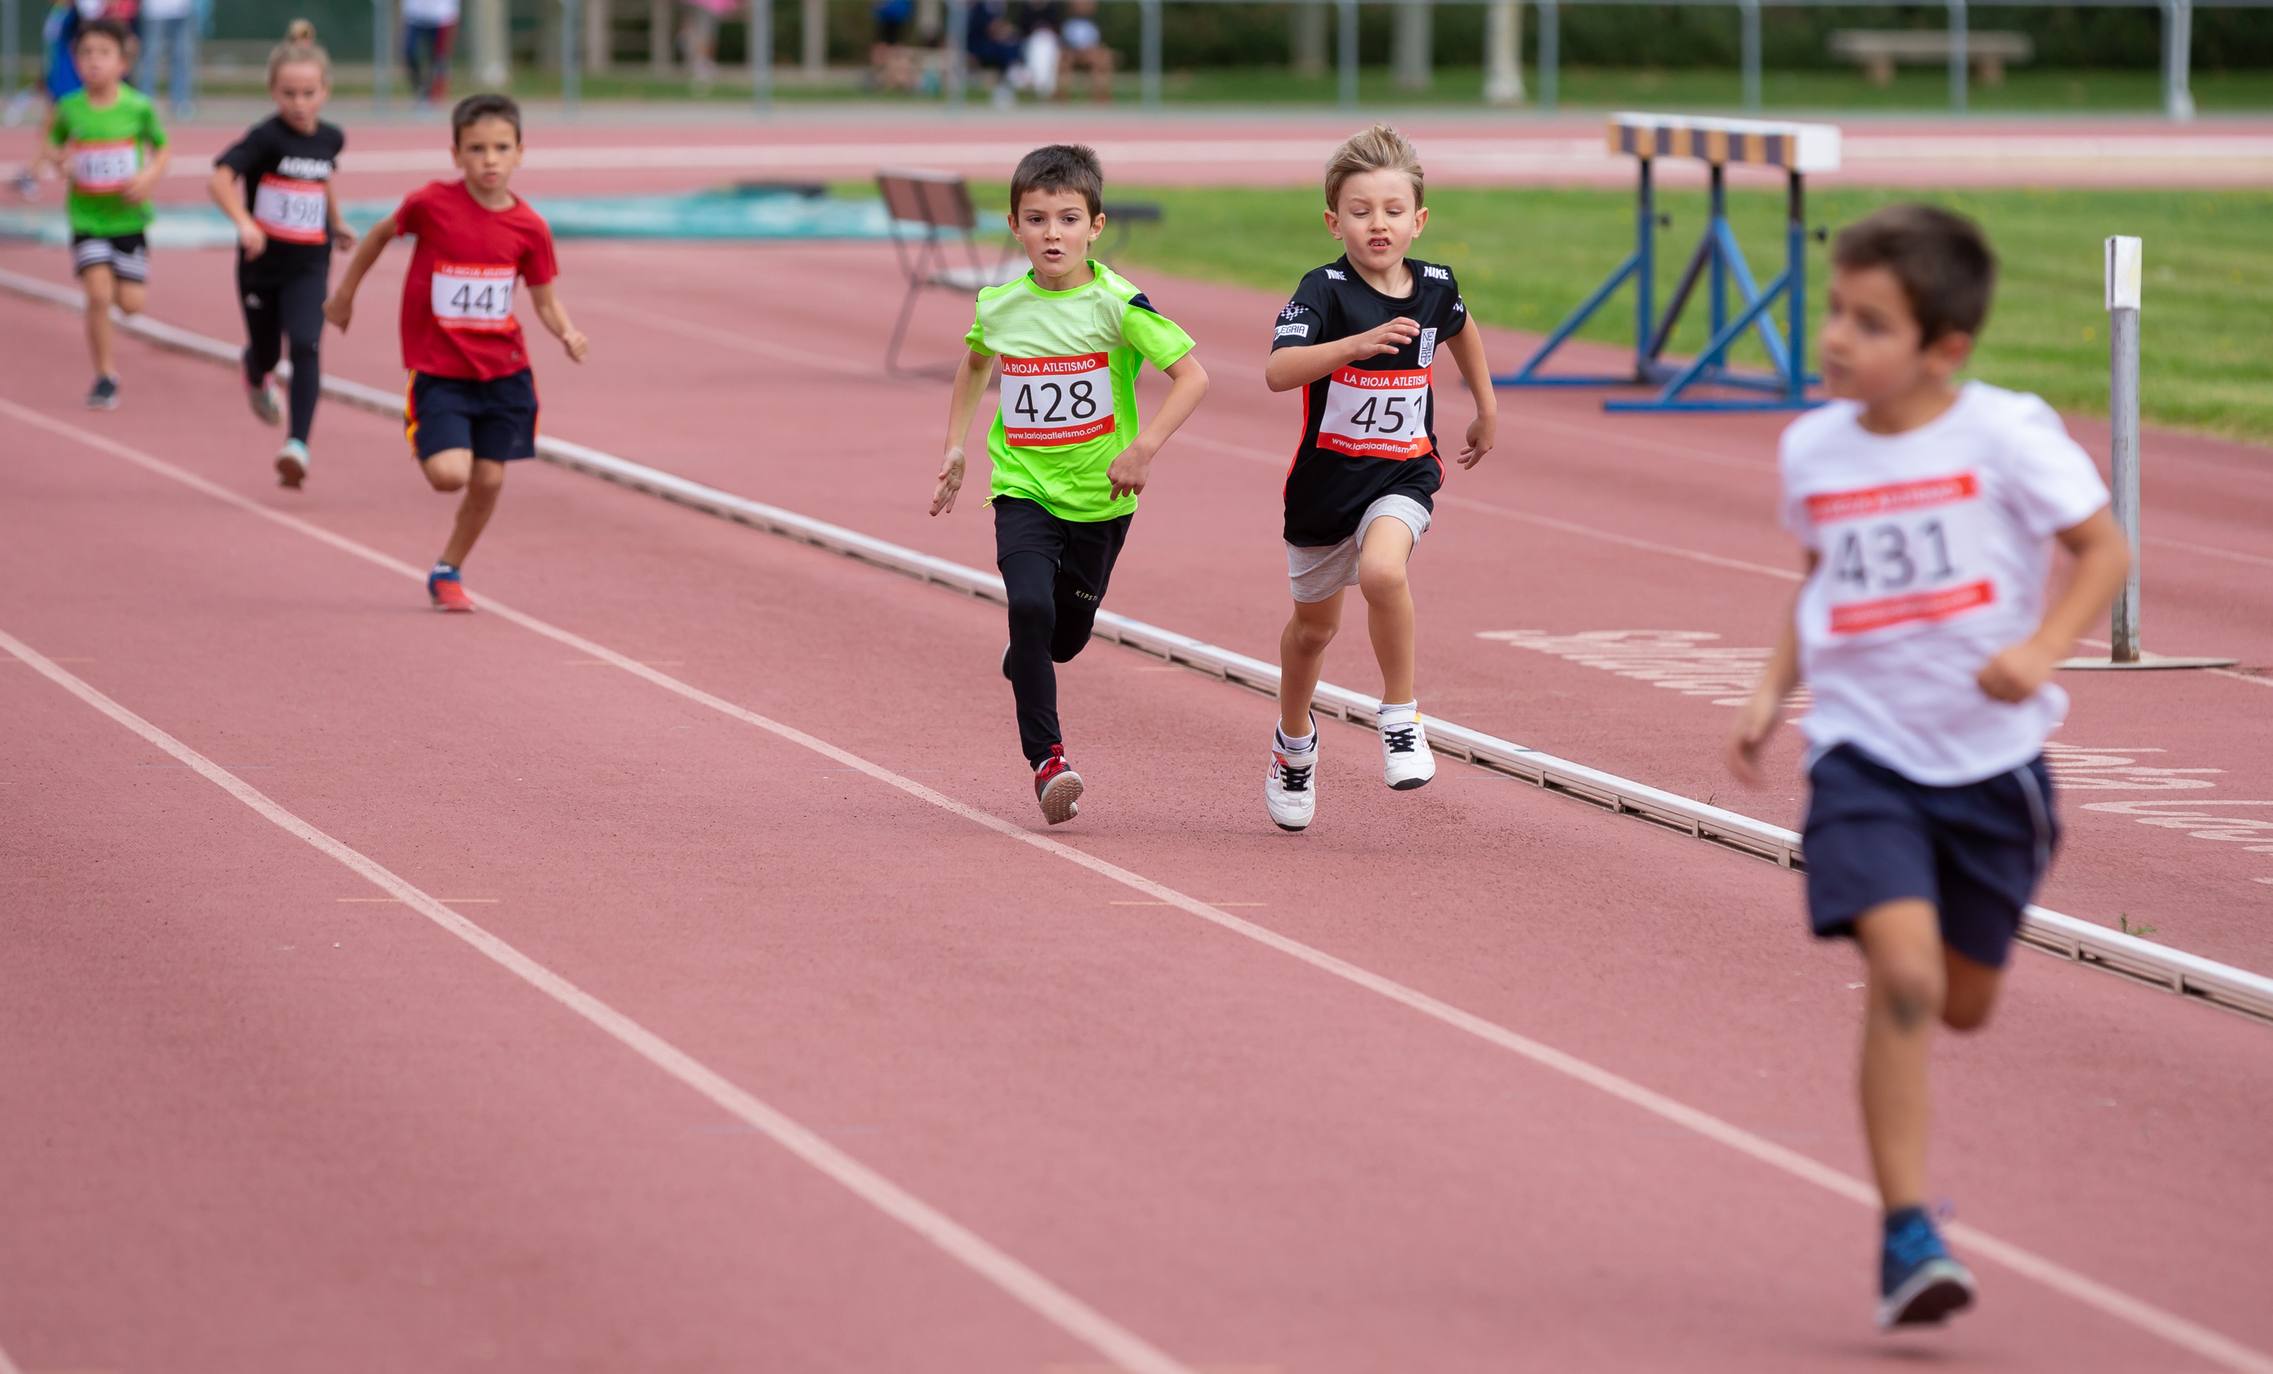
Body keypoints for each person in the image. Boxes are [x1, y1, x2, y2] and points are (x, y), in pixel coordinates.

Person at [1725, 204, 2131, 1330]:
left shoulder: (2005, 434)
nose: (1837, 340)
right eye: (1834, 313)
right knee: (1900, 979)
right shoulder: (1811, 446)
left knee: (1959, 1004)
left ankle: (1909, 1210)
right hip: (1862, 756)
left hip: (1994, 769)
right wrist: (1770, 689)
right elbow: (1820, 576)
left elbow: (2103, 548)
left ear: (1943, 346)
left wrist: (2041, 648)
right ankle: (1906, 1232)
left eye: (1870, 322)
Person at [929, 144, 1209, 824]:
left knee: (1061, 638)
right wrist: (957, 447)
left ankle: (1031, 653)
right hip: (1022, 488)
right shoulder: (999, 305)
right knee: (1027, 607)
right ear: (1014, 226)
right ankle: (1048, 759)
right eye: (1036, 219)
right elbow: (972, 366)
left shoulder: (1117, 307)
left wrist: (1142, 449)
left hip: (1100, 501)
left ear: (1095, 226)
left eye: (1067, 219)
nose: (1051, 233)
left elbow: (1192, 377)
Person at [1261, 125, 1495, 832]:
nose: (1377, 224)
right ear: (1333, 221)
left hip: (1403, 473)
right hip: (1324, 489)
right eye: (1360, 210)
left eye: (1393, 210)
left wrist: (1484, 404)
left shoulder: (1433, 286)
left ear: (1417, 219)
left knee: (1385, 573)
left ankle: (1399, 716)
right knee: (1311, 632)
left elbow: (1461, 327)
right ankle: (1292, 746)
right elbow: (1276, 372)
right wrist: (1354, 346)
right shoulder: (1323, 291)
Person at [323, 94, 590, 612]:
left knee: (488, 480)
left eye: (500, 148)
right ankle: (428, 432)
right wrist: (344, 295)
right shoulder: (431, 205)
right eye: (476, 149)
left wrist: (567, 332)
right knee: (450, 476)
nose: (489, 159)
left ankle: (448, 568)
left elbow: (544, 299)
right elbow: (379, 236)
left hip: (505, 373)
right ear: (456, 154)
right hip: (440, 370)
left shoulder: (530, 227)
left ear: (519, 153)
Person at [209, 20, 352, 490]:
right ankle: (255, 369)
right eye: (289, 94)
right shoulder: (265, 138)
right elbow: (219, 178)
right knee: (268, 352)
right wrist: (245, 223)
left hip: (310, 261)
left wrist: (335, 221)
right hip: (261, 266)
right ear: (273, 91)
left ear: (325, 91)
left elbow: (322, 177)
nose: (299, 103)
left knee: (308, 344)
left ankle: (297, 446)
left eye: (308, 93)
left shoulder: (331, 137)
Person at [27, 17, 168, 410]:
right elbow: (52, 145)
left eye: (103, 53)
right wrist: (61, 162)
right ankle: (105, 375)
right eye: (86, 53)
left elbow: (163, 148)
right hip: (87, 220)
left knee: (131, 304)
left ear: (123, 62)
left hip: (129, 219)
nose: (94, 62)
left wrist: (149, 175)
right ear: (75, 60)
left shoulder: (138, 107)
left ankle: (112, 348)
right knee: (97, 294)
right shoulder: (69, 108)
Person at [136, 0, 194, 116]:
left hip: (181, 9)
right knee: (150, 57)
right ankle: (145, 102)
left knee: (182, 57)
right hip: (155, 10)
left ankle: (180, 101)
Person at [402, 0, 460, 106]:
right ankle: (419, 89)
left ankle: (432, 93)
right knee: (409, 52)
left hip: (441, 17)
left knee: (438, 58)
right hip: (414, 16)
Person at [1059, 0, 1114, 102]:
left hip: (1090, 53)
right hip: (1073, 52)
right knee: (1065, 58)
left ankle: (1101, 95)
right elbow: (1065, 42)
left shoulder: (1095, 23)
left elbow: (1097, 43)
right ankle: (1062, 95)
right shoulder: (1068, 23)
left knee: (1104, 58)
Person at [680, 0, 735, 94]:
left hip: (708, 5)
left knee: (704, 32)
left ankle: (701, 63)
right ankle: (700, 63)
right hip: (707, 4)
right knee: (703, 32)